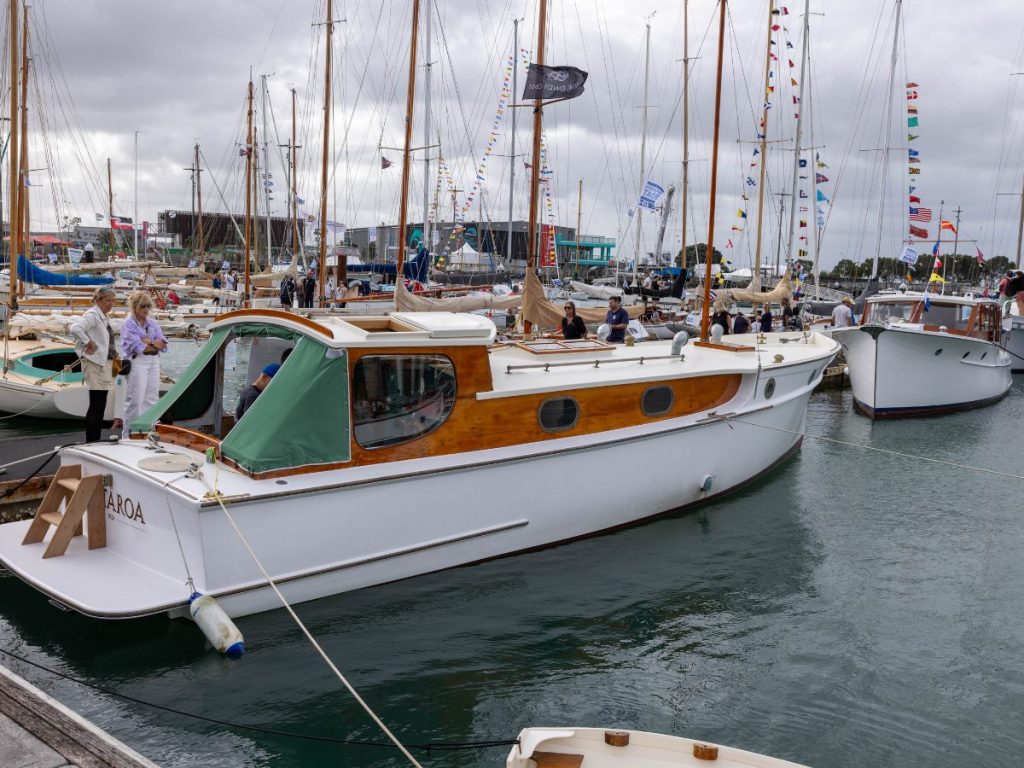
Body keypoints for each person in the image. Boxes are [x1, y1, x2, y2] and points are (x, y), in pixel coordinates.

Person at [69, 287, 122, 442]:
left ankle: (95, 440)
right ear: (98, 301)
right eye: (108, 301)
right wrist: (88, 342)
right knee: (96, 404)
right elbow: (75, 328)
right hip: (95, 364)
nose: (111, 304)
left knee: (101, 404)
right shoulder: (93, 315)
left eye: (112, 301)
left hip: (104, 363)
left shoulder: (103, 317)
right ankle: (91, 441)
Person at [120, 291, 168, 438]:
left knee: (152, 399)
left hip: (154, 361)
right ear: (134, 307)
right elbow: (139, 348)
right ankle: (128, 435)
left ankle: (146, 433)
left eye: (148, 306)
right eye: (142, 306)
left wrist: (149, 341)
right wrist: (152, 344)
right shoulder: (128, 324)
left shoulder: (152, 323)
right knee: (135, 400)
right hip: (138, 362)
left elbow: (163, 344)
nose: (146, 309)